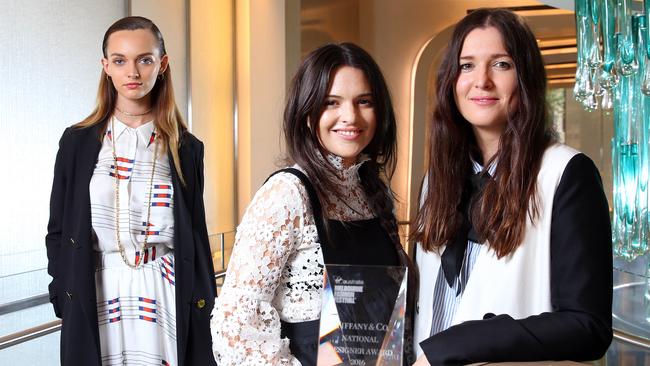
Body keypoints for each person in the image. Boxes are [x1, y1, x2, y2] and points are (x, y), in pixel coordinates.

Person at [411, 8, 612, 365]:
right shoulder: (434, 181)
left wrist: (460, 343)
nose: (482, 81)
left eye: (501, 64)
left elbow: (588, 327)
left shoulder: (566, 173)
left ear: (526, 77)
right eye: (467, 65)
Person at [211, 42, 415, 365]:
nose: (350, 116)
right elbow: (234, 328)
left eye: (364, 101)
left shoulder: (375, 192)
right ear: (307, 113)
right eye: (331, 102)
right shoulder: (287, 195)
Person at [45, 16, 216, 366]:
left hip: (164, 289)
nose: (132, 72)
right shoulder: (77, 142)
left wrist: (206, 306)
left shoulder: (186, 148)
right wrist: (62, 296)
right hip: (98, 287)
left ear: (162, 64)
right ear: (105, 66)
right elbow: (58, 230)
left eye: (145, 59)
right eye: (120, 60)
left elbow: (196, 237)